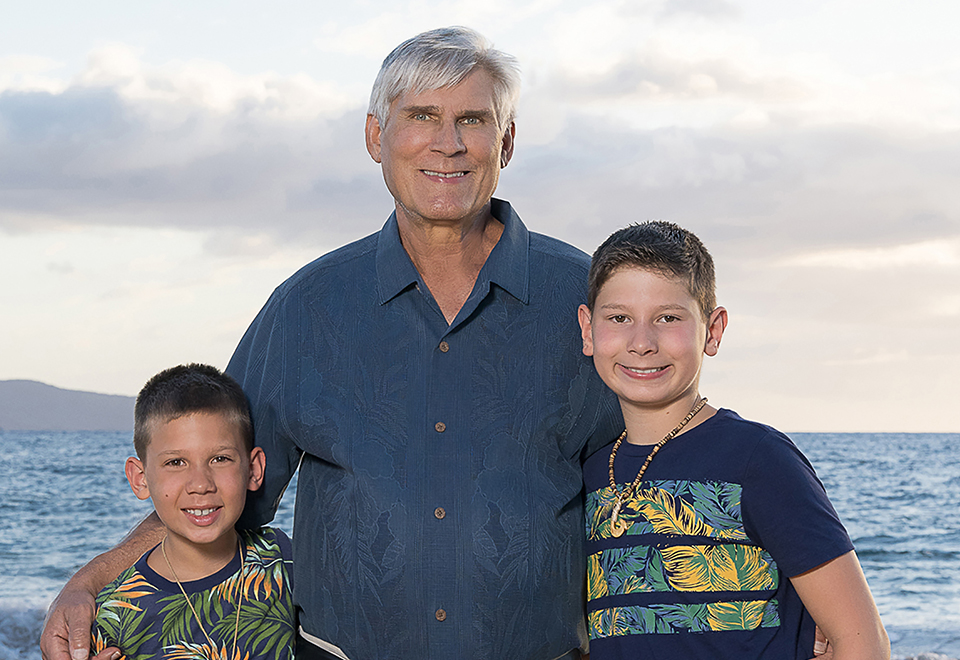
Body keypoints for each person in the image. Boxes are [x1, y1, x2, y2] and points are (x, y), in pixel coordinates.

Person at [41, 27, 621, 660]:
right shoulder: (306, 308)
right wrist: (90, 584)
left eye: (472, 120)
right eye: (422, 115)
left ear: (506, 141)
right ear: (377, 136)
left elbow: (655, 486)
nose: (448, 143)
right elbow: (212, 490)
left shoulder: (587, 300)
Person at [577, 221, 890, 659]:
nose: (642, 342)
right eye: (619, 318)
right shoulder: (590, 474)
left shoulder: (757, 459)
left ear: (714, 329)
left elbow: (864, 642)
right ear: (589, 330)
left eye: (668, 318)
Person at [91, 363, 295, 659]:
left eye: (220, 458)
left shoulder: (285, 562)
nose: (200, 485)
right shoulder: (114, 616)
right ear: (140, 478)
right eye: (176, 462)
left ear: (253, 470)